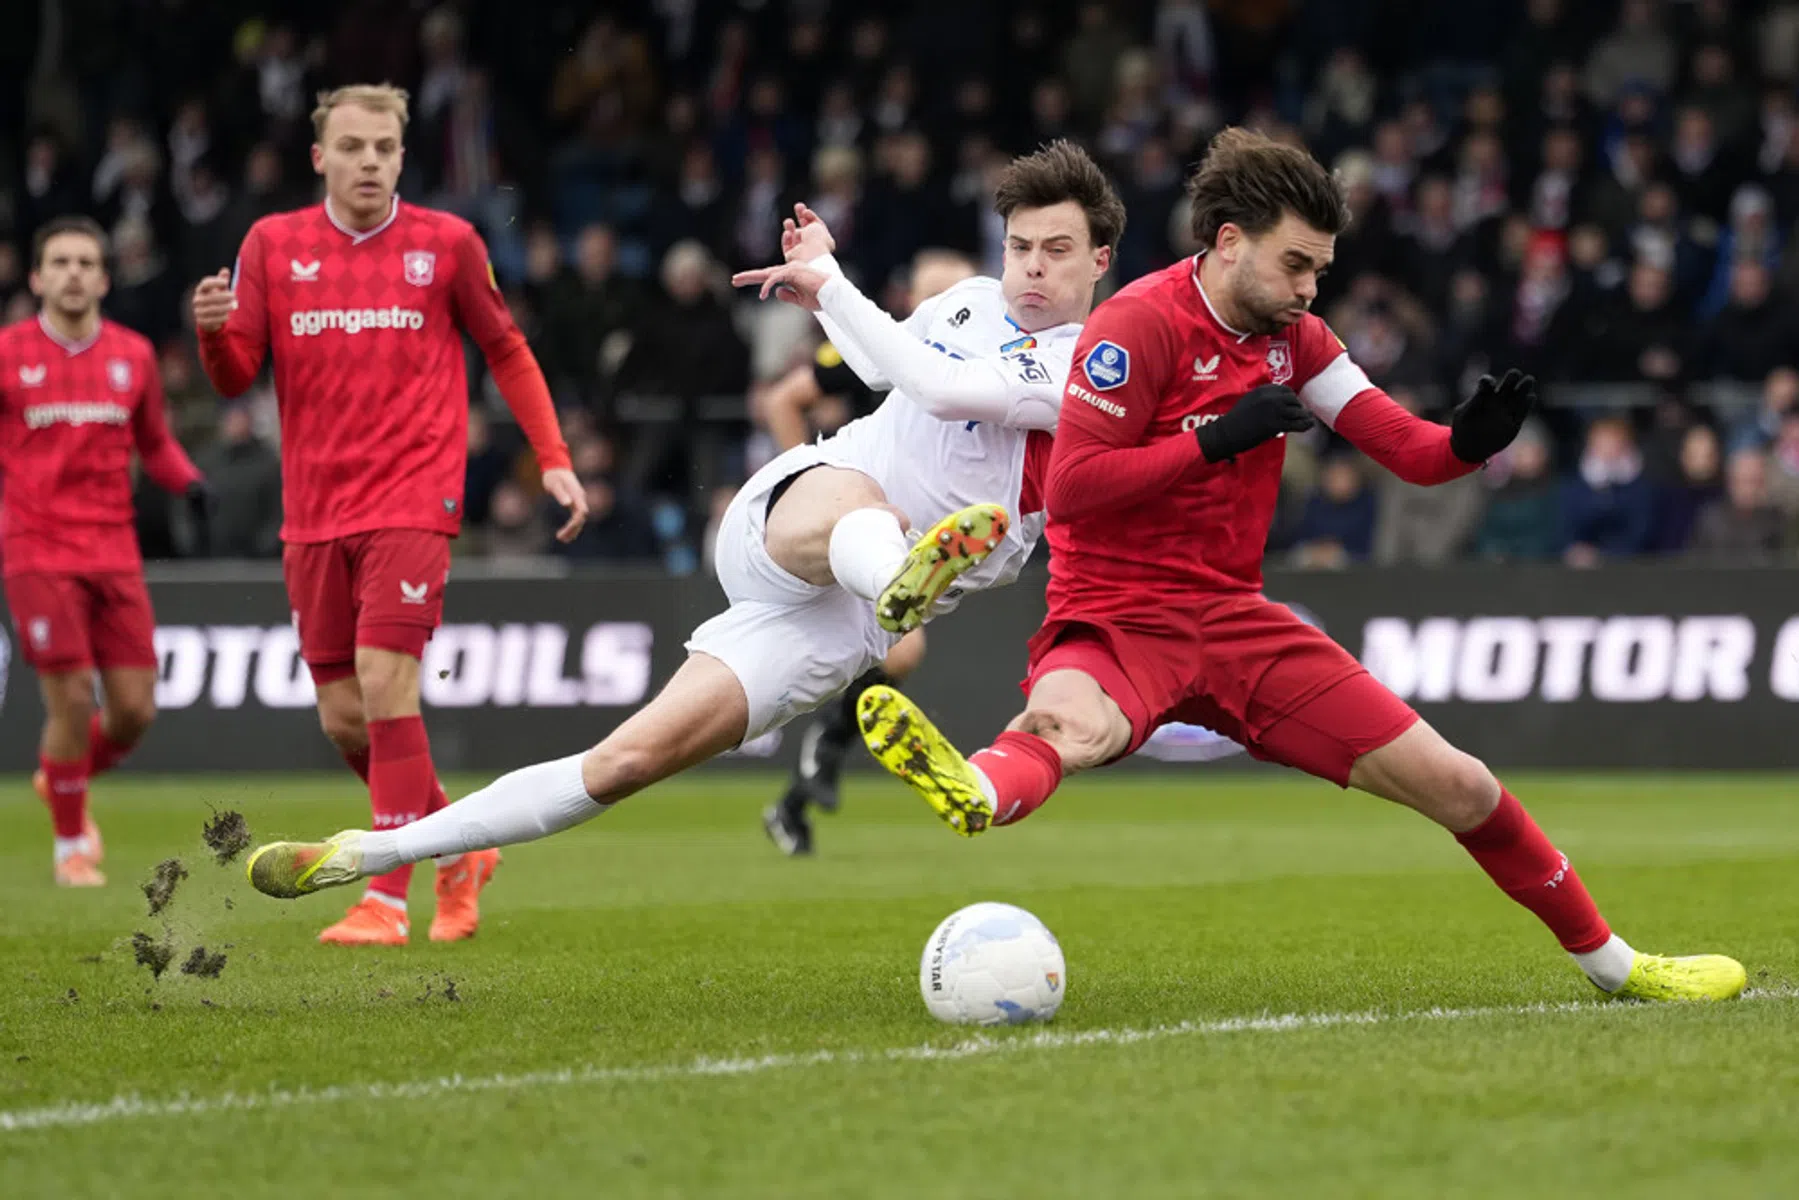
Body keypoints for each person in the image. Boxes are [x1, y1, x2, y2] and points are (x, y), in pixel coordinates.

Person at [855, 128, 1744, 1004]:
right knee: (1064, 727)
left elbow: (1408, 449)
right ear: (1229, 243)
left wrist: (1469, 444)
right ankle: (973, 787)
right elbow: (1077, 488)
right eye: (1295, 265)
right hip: (1120, 615)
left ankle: (1619, 968)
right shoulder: (1133, 328)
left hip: (1237, 621)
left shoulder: (1297, 339)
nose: (1309, 287)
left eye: (1319, 269)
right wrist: (1213, 440)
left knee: (1461, 783)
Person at [240, 142, 1121, 904]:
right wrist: (825, 290)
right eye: (1019, 247)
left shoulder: (1093, 363)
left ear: (1100, 262)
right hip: (806, 503)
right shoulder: (967, 299)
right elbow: (881, 364)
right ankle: (896, 576)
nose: (1032, 266)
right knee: (869, 505)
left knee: (619, 766)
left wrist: (830, 284)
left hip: (839, 618)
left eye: (1056, 250)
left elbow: (936, 386)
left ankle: (366, 852)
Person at [192, 84, 588, 947]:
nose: (369, 160)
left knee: (384, 681)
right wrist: (214, 334)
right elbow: (234, 376)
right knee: (343, 717)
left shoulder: (445, 245)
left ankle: (383, 898)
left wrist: (552, 459)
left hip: (413, 497)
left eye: (384, 147)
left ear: (404, 156)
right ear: (319, 157)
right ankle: (461, 851)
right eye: (352, 146)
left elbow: (506, 350)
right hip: (313, 512)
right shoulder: (273, 244)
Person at [0, 215, 211, 886]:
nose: (72, 273)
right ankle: (72, 851)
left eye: (85, 263)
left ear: (104, 277)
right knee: (69, 698)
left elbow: (154, 442)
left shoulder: (134, 354)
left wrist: (190, 484)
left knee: (134, 709)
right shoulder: (7, 353)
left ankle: (58, 777)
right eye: (59, 262)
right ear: (36, 277)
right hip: (36, 549)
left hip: (113, 549)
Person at [758, 248, 975, 856]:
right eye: (946, 300)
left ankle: (799, 792)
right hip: (848, 517)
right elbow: (780, 401)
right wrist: (802, 479)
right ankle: (815, 761)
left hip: (907, 529)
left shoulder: (970, 370)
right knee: (901, 648)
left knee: (893, 653)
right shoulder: (873, 354)